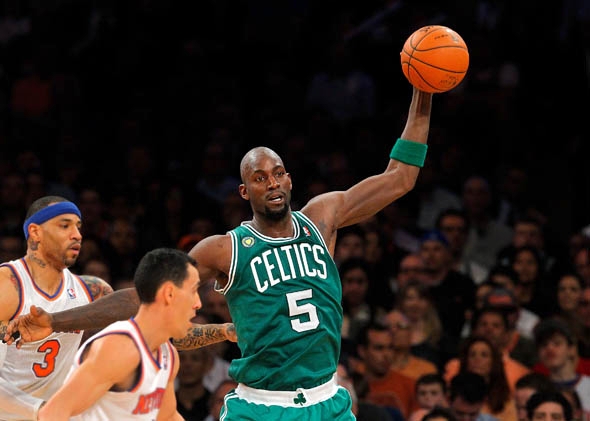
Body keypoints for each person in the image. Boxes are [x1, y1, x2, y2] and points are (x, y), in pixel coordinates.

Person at [7, 86, 434, 419]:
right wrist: (56, 322)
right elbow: (143, 297)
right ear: (245, 191)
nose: (273, 183)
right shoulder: (225, 249)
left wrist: (424, 89)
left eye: (279, 174)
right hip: (261, 405)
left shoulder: (323, 217)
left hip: (328, 400)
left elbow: (400, 178)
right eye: (260, 177)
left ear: (289, 180)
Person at [38, 247, 200, 420]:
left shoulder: (168, 354)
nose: (198, 303)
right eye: (193, 291)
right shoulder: (120, 348)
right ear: (169, 294)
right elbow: (52, 413)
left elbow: (167, 416)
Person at [0, 195, 114, 420]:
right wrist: (40, 409)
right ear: (35, 232)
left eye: (79, 227)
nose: (77, 235)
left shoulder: (93, 290)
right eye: (65, 225)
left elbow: (150, 330)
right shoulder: (7, 284)